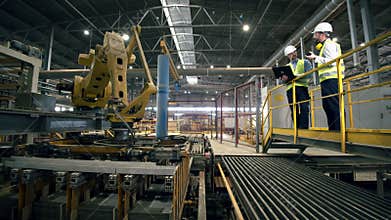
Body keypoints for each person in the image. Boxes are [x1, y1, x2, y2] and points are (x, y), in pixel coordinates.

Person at [306, 22, 345, 131]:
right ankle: (334, 130)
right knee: (328, 106)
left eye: (316, 34)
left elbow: (332, 62)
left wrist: (316, 58)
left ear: (322, 34)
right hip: (328, 81)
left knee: (333, 106)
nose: (315, 37)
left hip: (332, 80)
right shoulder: (327, 45)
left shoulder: (329, 45)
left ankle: (338, 131)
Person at [281, 45, 312, 129]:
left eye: (294, 52)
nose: (293, 55)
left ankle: (304, 128)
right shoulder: (286, 67)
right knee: (294, 110)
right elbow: (283, 82)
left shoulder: (305, 62)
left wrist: (297, 76)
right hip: (290, 90)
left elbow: (309, 74)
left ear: (296, 52)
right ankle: (297, 128)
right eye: (290, 54)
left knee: (304, 108)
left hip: (302, 88)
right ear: (288, 56)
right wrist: (284, 79)